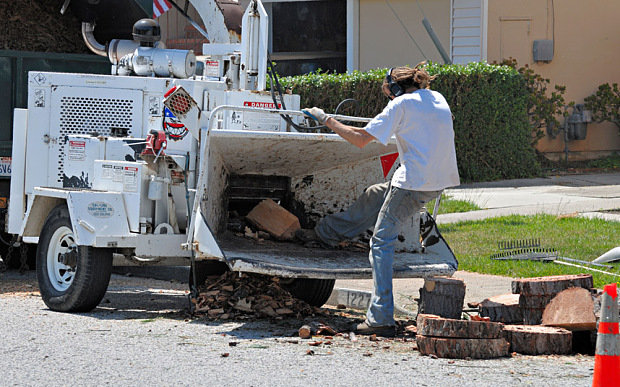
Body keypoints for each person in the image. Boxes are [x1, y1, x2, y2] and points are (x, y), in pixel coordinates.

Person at [300, 63, 460, 337]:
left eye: (388, 90)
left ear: (396, 88)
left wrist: (326, 119)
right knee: (377, 194)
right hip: (438, 181)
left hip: (412, 183)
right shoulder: (436, 98)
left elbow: (361, 140)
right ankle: (326, 233)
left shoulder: (401, 106)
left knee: (381, 242)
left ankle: (380, 317)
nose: (387, 94)